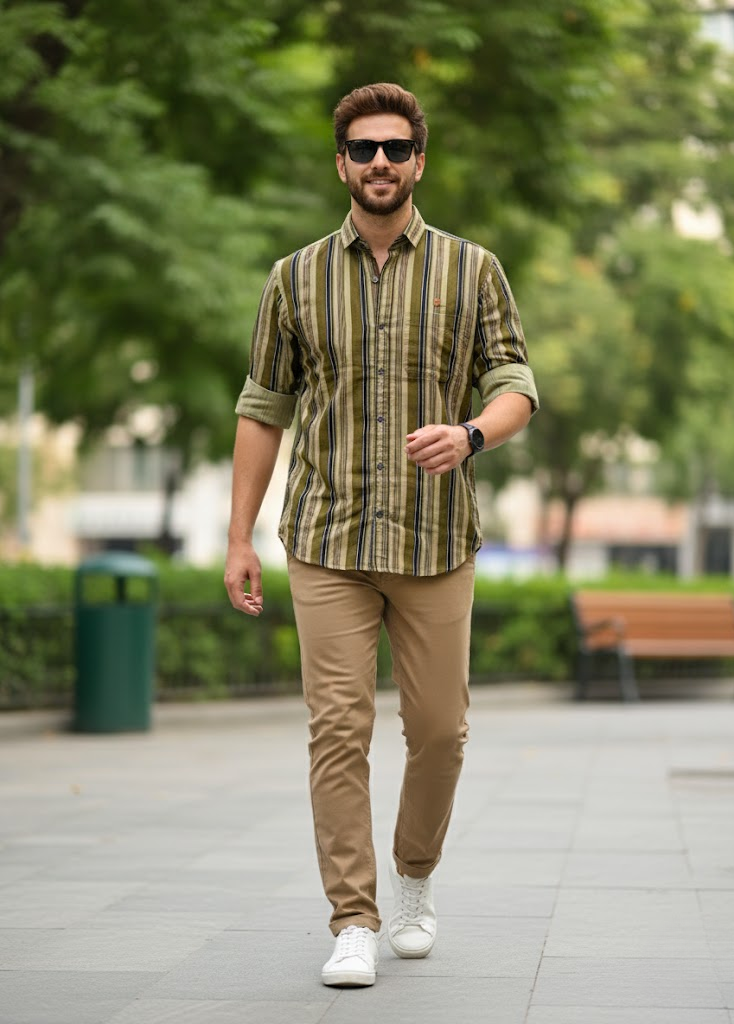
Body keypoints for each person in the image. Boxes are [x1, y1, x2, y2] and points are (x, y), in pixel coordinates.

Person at [224, 82, 538, 988]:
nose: (379, 164)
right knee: (337, 729)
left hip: (435, 539)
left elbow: (515, 380)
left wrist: (472, 433)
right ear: (340, 163)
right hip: (325, 537)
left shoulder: (471, 269)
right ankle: (352, 916)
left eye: (395, 148)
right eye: (362, 149)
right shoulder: (293, 277)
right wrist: (240, 535)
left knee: (439, 732)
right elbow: (261, 408)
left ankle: (412, 878)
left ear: (418, 162)